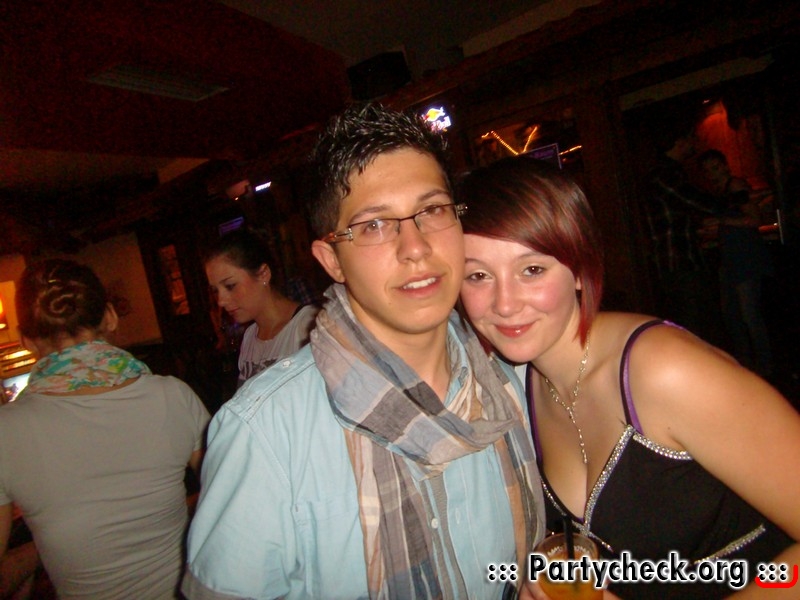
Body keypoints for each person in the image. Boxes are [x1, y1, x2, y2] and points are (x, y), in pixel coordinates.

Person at [182, 103, 545, 600]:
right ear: (331, 260)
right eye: (374, 225)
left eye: (432, 211)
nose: (415, 247)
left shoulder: (516, 381)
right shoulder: (264, 437)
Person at [457, 156, 800, 599]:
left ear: (579, 268)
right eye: (478, 275)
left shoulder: (662, 371)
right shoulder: (520, 386)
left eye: (532, 270)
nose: (504, 303)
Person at [0, 259, 210, 600]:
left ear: (27, 340)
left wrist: (35, 553)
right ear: (110, 316)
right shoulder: (172, 396)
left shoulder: (6, 432)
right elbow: (232, 497)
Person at [204, 227, 320, 387]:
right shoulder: (250, 337)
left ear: (263, 274)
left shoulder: (308, 326)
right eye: (215, 291)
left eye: (230, 286)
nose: (221, 301)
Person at [642, 123, 724, 346]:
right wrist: (737, 198)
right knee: (695, 332)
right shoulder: (665, 175)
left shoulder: (669, 173)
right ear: (679, 142)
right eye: (690, 138)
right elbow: (700, 202)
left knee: (698, 329)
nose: (693, 143)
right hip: (678, 263)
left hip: (680, 263)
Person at [698, 149, 775, 378]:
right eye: (707, 171)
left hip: (745, 255)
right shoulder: (720, 192)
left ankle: (764, 368)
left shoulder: (735, 186)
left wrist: (722, 221)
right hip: (731, 257)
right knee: (732, 314)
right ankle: (745, 366)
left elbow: (754, 219)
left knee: (749, 315)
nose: (712, 174)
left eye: (715, 167)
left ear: (725, 166)